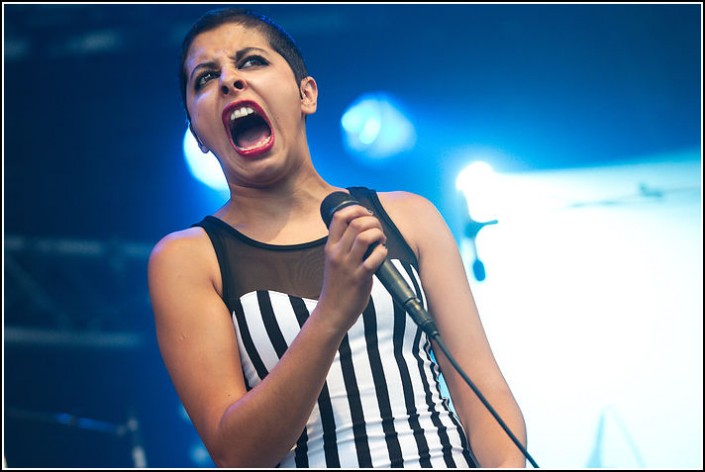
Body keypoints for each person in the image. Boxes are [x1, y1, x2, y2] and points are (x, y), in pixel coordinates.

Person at [148, 7, 528, 468]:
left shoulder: (407, 216)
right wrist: (330, 314)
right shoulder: (189, 258)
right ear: (198, 132)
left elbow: (481, 391)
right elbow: (236, 455)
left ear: (306, 94)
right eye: (205, 78)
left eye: (251, 62)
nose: (229, 81)